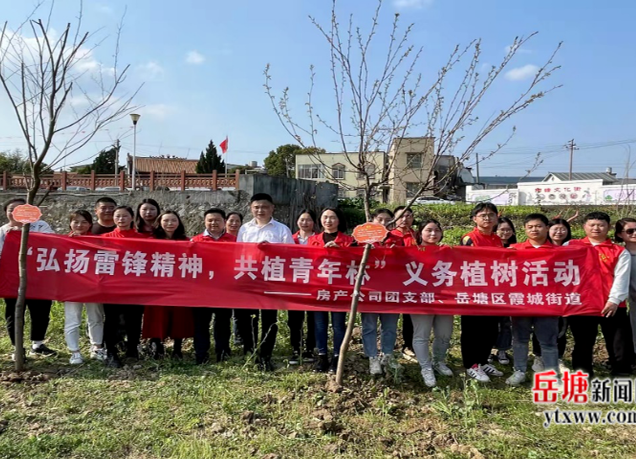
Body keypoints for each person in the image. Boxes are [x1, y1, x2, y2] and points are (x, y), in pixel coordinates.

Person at [568, 212, 632, 377]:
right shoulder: (570, 246)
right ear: (584, 227)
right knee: (583, 341)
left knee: (618, 342)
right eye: (592, 225)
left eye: (601, 225)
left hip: (611, 304)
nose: (596, 228)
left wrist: (614, 300)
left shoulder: (618, 251)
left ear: (608, 228)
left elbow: (621, 277)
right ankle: (583, 373)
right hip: (581, 304)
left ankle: (621, 373)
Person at [236, 193, 295, 371]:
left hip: (272, 280)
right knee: (249, 318)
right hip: (250, 278)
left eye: (264, 207)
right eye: (257, 207)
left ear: (272, 208)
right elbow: (238, 252)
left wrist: (272, 249)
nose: (260, 210)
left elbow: (291, 253)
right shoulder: (245, 229)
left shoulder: (281, 229)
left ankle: (266, 353)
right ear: (251, 208)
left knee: (270, 318)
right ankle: (251, 351)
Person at [506, 213, 559, 386]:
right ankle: (519, 371)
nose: (534, 229)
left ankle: (552, 374)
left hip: (548, 303)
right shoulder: (514, 249)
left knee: (548, 341)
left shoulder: (560, 252)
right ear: (525, 229)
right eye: (530, 227)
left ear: (547, 228)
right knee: (520, 339)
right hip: (521, 303)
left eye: (538, 226)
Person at [1, 198, 57, 359]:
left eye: (20, 208)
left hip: (40, 278)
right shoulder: (2, 231)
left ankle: (38, 344)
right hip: (12, 281)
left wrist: (25, 233)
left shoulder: (41, 226)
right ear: (6, 212)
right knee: (14, 313)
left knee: (41, 311)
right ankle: (17, 347)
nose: (15, 212)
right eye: (11, 209)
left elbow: (51, 244)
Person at [459, 202, 505, 382]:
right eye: (483, 215)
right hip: (473, 290)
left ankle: (483, 360)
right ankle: (471, 364)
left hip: (493, 291)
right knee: (472, 329)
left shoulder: (496, 238)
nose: (487, 218)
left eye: (491, 215)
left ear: (496, 218)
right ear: (474, 219)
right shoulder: (469, 238)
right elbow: (466, 262)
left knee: (491, 329)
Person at [142, 211, 194, 359]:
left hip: (179, 285)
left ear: (178, 223)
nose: (169, 223)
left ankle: (177, 347)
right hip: (157, 285)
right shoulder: (151, 240)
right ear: (159, 222)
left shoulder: (186, 241)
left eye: (173, 220)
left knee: (179, 315)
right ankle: (156, 345)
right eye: (166, 220)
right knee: (157, 315)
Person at [308, 207, 353, 373]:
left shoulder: (349, 240)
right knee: (319, 325)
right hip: (319, 288)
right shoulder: (312, 239)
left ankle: (336, 357)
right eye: (325, 217)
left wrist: (342, 251)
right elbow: (306, 261)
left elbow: (356, 261)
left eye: (332, 217)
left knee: (338, 325)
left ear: (339, 220)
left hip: (339, 290)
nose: (328, 221)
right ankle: (321, 357)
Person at [411, 219, 454, 387]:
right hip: (420, 300)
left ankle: (438, 361)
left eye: (436, 230)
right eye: (428, 230)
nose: (433, 234)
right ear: (420, 232)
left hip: (445, 299)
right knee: (421, 335)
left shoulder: (448, 252)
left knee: (444, 334)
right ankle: (426, 367)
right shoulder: (411, 251)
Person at [191, 208, 236, 364]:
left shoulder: (234, 240)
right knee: (201, 323)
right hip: (202, 290)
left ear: (224, 222)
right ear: (204, 222)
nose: (213, 223)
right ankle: (201, 353)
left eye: (217, 220)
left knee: (223, 322)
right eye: (210, 220)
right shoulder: (195, 241)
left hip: (225, 289)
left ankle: (222, 351)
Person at [101, 205, 145, 367]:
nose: (121, 219)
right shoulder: (104, 238)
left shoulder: (141, 239)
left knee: (134, 318)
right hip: (112, 287)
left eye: (125, 216)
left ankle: (132, 348)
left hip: (135, 286)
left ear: (132, 218)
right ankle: (111, 351)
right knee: (111, 319)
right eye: (118, 216)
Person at [362, 208, 402, 374]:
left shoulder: (398, 240)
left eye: (388, 220)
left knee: (390, 326)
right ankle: (372, 357)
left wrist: (396, 252)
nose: (384, 223)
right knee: (369, 326)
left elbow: (408, 262)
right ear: (372, 220)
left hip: (392, 290)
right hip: (369, 289)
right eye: (380, 219)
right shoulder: (363, 239)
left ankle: (387, 355)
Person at [532, 218, 573, 373]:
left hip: (565, 296)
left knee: (561, 328)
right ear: (548, 230)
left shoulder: (573, 249)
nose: (559, 232)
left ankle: (558, 358)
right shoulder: (540, 248)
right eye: (555, 229)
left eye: (563, 229)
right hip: (541, 296)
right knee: (539, 326)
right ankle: (538, 356)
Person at [64, 210, 106, 364]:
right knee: (72, 319)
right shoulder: (62, 241)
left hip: (93, 286)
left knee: (96, 317)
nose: (79, 225)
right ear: (70, 223)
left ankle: (97, 347)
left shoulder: (98, 241)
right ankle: (74, 352)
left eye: (84, 222)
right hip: (71, 287)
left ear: (90, 224)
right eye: (76, 222)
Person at [288, 209, 317, 364]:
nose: (305, 223)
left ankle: (310, 349)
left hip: (314, 284)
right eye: (302, 220)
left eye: (308, 220)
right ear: (297, 221)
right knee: (294, 319)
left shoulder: (320, 239)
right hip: (295, 284)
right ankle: (295, 348)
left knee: (313, 319)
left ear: (314, 222)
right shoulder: (290, 239)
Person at [488, 217, 517, 366]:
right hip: (490, 290)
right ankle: (488, 350)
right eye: (501, 230)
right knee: (490, 323)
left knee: (506, 323)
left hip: (510, 291)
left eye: (508, 230)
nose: (505, 233)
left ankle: (502, 349)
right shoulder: (490, 246)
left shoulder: (518, 248)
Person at [391, 206, 417, 362]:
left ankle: (409, 345)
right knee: (390, 315)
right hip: (392, 280)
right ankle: (388, 345)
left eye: (408, 215)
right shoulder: (388, 235)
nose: (404, 219)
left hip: (413, 280)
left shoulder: (417, 235)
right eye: (400, 216)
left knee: (410, 315)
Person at [616, 218, 636, 356]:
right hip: (630, 301)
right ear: (619, 234)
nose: (635, 233)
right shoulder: (618, 254)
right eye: (630, 231)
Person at [225, 211, 244, 345]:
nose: (234, 224)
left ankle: (238, 336)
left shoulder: (244, 237)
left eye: (237, 221)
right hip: (223, 278)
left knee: (239, 309)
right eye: (231, 220)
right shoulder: (221, 238)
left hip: (241, 276)